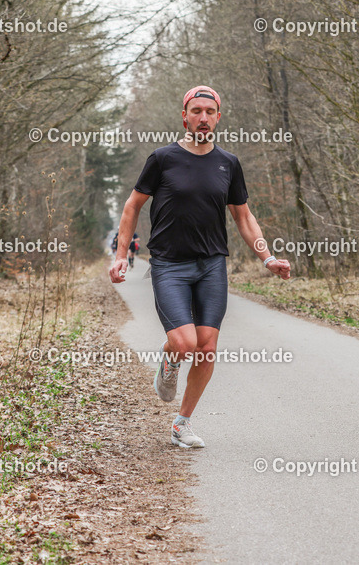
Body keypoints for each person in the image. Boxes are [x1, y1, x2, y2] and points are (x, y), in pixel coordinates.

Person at [109, 85, 290, 449]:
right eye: (196, 111)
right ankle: (169, 362)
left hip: (210, 266)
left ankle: (182, 423)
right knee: (184, 342)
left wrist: (266, 256)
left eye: (210, 111)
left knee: (206, 350)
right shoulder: (162, 159)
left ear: (218, 117)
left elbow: (243, 216)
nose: (203, 118)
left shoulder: (228, 163)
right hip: (169, 265)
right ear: (185, 116)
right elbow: (132, 207)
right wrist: (120, 255)